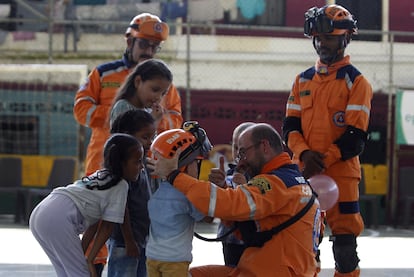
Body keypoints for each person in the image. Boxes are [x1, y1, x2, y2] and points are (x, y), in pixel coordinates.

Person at [73, 13, 183, 272]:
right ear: (129, 40)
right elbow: (81, 109)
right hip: (105, 164)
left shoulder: (162, 81)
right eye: (144, 44)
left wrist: (150, 122)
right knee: (103, 231)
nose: (149, 51)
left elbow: (175, 121)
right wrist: (125, 120)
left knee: (126, 231)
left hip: (142, 171)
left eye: (155, 46)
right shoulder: (103, 73)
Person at [149, 123, 321, 276]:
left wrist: (174, 176)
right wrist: (224, 189)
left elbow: (230, 204)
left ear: (264, 146)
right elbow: (246, 220)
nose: (240, 162)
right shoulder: (292, 180)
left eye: (243, 152)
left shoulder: (276, 183)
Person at [282, 5, 373, 277]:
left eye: (330, 38)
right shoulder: (302, 80)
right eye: (319, 38)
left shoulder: (356, 82)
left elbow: (355, 138)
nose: (323, 43)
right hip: (305, 171)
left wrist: (320, 161)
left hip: (341, 175)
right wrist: (303, 154)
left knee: (345, 246)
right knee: (305, 240)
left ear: (345, 39)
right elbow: (289, 127)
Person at [29, 133, 144, 277]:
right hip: (58, 218)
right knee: (80, 274)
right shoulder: (120, 185)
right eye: (138, 162)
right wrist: (89, 260)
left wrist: (87, 257)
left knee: (66, 272)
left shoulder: (101, 175)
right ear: (122, 162)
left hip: (42, 211)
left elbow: (94, 224)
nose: (141, 167)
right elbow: (107, 226)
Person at [146, 121, 213, 277]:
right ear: (184, 165)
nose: (197, 167)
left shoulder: (157, 190)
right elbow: (208, 217)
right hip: (175, 261)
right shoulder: (187, 194)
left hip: (152, 256)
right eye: (196, 162)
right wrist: (217, 189)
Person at [107, 109, 156, 277]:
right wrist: (129, 241)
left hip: (141, 240)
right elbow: (122, 207)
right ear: (128, 136)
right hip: (125, 243)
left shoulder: (141, 163)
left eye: (152, 136)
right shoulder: (126, 168)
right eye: (145, 137)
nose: (150, 142)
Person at [208, 122, 254, 267]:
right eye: (235, 148)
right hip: (231, 240)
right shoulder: (227, 175)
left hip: (254, 240)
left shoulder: (264, 177)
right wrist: (218, 187)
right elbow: (215, 210)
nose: (239, 154)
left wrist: (245, 187)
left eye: (244, 149)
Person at [109, 58, 173, 129]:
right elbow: (126, 139)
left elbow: (150, 139)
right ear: (138, 82)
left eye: (163, 94)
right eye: (155, 90)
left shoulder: (149, 112)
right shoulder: (122, 107)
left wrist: (155, 121)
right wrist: (151, 121)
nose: (159, 97)